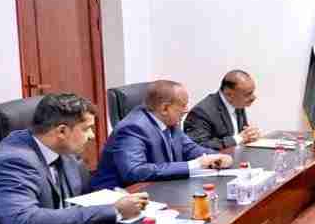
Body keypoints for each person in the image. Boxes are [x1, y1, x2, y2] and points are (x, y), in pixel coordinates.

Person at [0, 94, 148, 224]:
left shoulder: (61, 150)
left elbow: (79, 196)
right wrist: (113, 210)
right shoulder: (11, 161)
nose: (92, 136)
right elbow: (24, 223)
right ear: (61, 131)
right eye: (87, 129)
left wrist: (114, 199)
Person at [91, 80, 233, 190]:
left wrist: (216, 157)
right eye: (183, 105)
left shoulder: (169, 121)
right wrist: (194, 165)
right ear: (165, 108)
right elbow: (134, 172)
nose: (187, 110)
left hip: (155, 189)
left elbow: (190, 148)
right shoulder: (133, 128)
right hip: (119, 196)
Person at [183, 70, 261, 150]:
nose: (253, 97)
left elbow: (240, 135)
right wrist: (238, 138)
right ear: (229, 94)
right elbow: (198, 145)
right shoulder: (202, 112)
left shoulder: (238, 104)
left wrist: (250, 135)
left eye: (252, 92)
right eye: (248, 94)